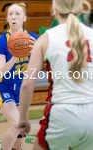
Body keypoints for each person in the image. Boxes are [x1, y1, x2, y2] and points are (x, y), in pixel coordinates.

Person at [18, 0, 93, 150]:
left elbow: (27, 84)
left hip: (62, 113)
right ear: (80, 8)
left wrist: (23, 118)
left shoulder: (46, 38)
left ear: (54, 9)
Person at [0, 3, 38, 150]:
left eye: (17, 14)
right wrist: (15, 58)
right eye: (11, 13)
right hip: (3, 85)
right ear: (7, 18)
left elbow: (38, 68)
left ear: (24, 18)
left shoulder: (32, 39)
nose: (13, 16)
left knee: (22, 130)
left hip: (21, 87)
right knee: (17, 124)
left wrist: (37, 52)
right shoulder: (2, 40)